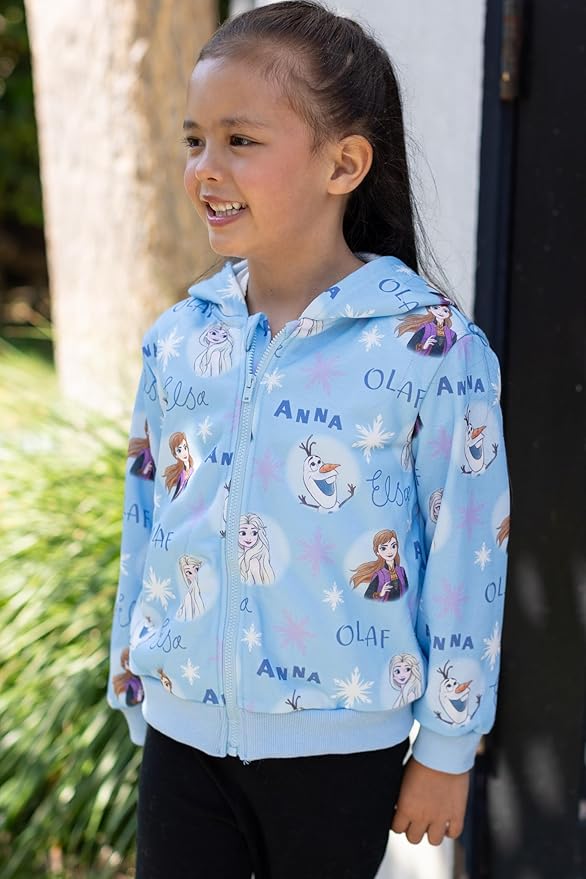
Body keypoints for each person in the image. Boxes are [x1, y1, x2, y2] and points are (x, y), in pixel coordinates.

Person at [107, 3, 510, 877]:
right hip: (182, 732)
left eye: (240, 140)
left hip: (340, 749)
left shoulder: (428, 348)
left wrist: (448, 744)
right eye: (195, 140)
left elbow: (467, 550)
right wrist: (133, 673)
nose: (206, 168)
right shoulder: (182, 337)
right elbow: (149, 514)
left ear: (344, 164)